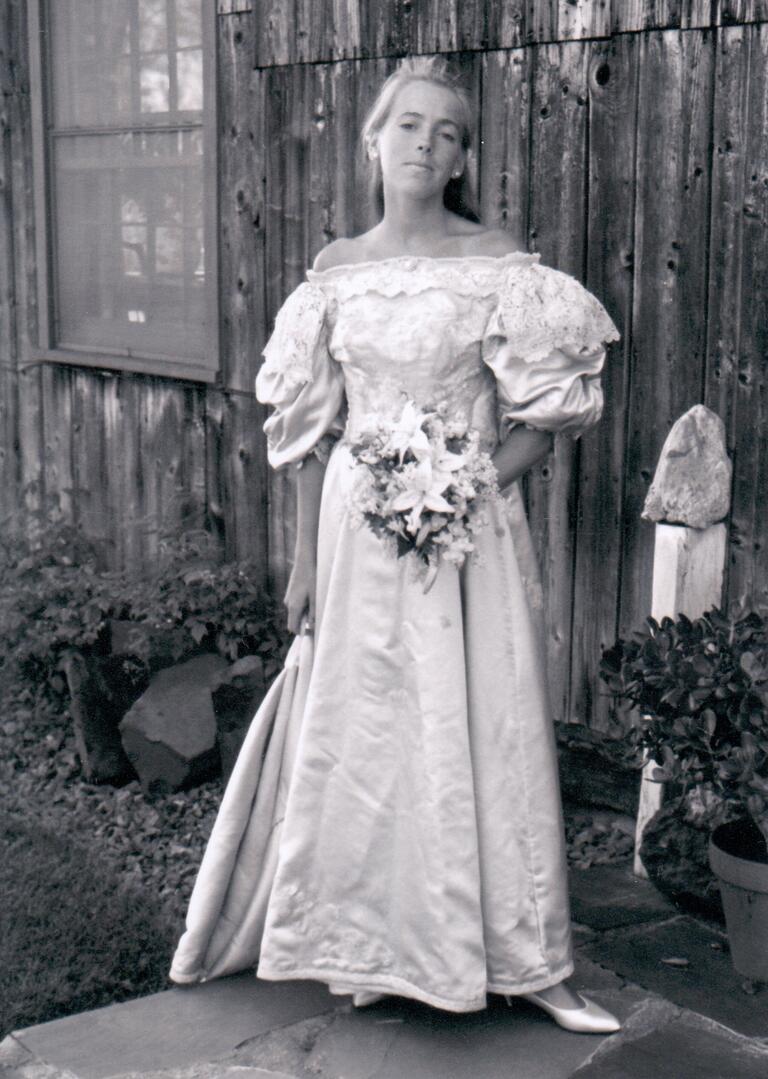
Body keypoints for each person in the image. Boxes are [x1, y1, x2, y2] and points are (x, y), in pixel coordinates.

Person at [170, 55, 622, 1034]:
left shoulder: (501, 264)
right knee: (371, 733)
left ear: (461, 158)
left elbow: (544, 416)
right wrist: (302, 562)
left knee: (485, 723)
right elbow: (302, 431)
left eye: (448, 132)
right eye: (408, 125)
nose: (426, 143)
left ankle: (531, 960)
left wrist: (461, 484)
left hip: (471, 532)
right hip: (355, 532)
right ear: (373, 140)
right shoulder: (335, 272)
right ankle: (374, 943)